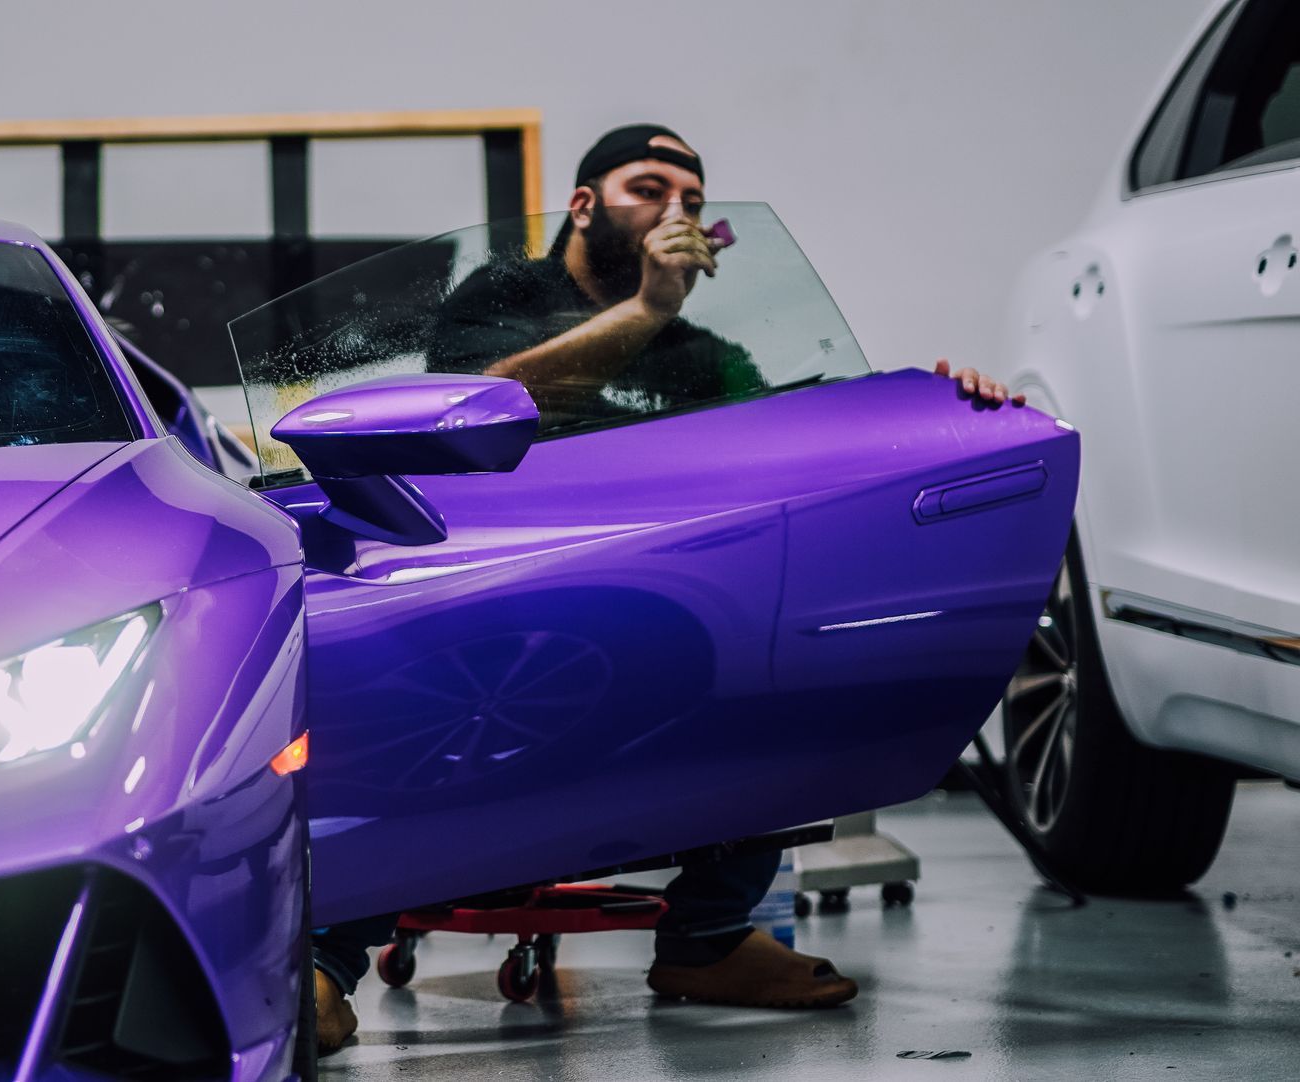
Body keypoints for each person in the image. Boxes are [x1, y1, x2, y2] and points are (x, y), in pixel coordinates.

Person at [311, 123, 1022, 1055]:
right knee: (423, 713)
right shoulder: (506, 293)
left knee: (780, 666)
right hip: (492, 589)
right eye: (650, 188)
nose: (676, 211)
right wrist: (647, 305)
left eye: (691, 198)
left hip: (654, 606)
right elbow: (490, 393)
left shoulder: (703, 355)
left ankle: (709, 938)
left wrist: (941, 411)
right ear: (582, 205)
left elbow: (800, 453)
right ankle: (325, 963)